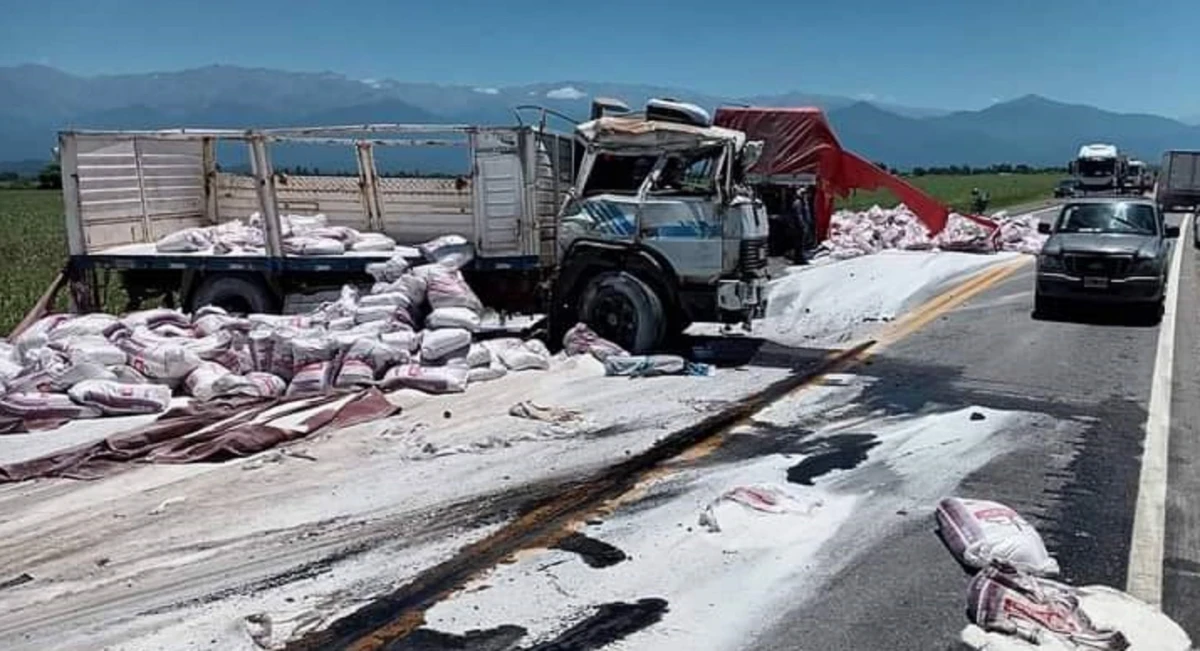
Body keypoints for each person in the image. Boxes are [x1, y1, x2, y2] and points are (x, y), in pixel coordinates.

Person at [791, 187, 812, 264]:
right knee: (799, 244)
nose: (806, 196)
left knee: (802, 244)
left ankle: (800, 258)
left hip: (802, 226)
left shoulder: (803, 202)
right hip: (799, 228)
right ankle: (799, 259)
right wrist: (803, 225)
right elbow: (798, 215)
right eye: (804, 194)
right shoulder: (798, 203)